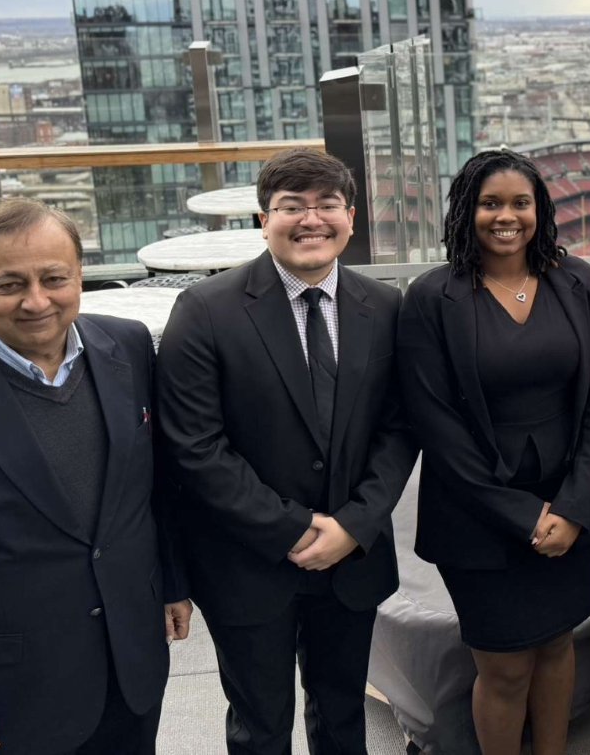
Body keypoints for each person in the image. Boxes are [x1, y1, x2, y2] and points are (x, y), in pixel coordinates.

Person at [157, 147, 417, 755]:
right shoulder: (206, 309)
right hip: (248, 563)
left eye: (327, 205)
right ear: (263, 219)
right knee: (260, 727)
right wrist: (293, 529)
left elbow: (401, 428)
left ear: (351, 217)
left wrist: (353, 525)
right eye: (291, 206)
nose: (311, 220)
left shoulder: (384, 306)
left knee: (343, 717)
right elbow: (195, 446)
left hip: (352, 558)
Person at [0, 199, 190, 755]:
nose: (36, 300)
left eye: (54, 278)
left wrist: (173, 584)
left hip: (131, 659)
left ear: (79, 276)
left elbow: (153, 486)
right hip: (13, 692)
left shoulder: (129, 345)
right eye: (10, 284)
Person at [400, 149, 590, 755]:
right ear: (465, 212)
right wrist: (524, 517)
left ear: (539, 210)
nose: (506, 216)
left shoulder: (579, 282)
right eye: (489, 203)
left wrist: (572, 508)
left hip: (570, 503)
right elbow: (436, 425)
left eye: (520, 203)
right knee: (503, 667)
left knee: (558, 645)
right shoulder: (431, 297)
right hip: (477, 515)